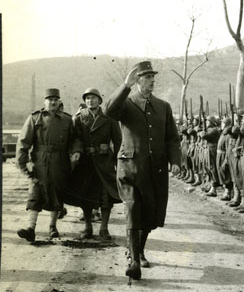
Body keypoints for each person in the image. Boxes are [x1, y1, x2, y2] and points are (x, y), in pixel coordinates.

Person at [104, 61, 181, 280]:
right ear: (138, 80)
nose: (152, 81)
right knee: (133, 208)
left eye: (153, 77)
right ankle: (134, 260)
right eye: (147, 77)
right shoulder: (126, 103)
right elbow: (108, 110)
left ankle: (138, 249)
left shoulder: (163, 106)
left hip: (154, 170)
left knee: (149, 211)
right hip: (129, 168)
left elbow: (172, 138)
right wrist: (124, 86)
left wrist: (175, 161)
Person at [16, 88, 82, 241]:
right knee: (35, 193)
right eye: (49, 99)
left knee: (57, 193)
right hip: (40, 161)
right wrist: (25, 163)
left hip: (60, 161)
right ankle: (30, 228)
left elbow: (75, 139)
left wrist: (76, 150)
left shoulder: (67, 120)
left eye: (55, 99)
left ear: (59, 101)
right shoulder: (35, 118)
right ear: (44, 101)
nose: (53, 102)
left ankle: (52, 226)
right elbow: (23, 142)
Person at [69, 87, 122, 240]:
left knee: (106, 196)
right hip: (86, 162)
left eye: (93, 98)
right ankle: (87, 227)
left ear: (100, 100)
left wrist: (119, 162)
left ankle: (104, 228)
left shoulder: (109, 117)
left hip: (104, 162)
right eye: (87, 98)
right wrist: (77, 150)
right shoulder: (79, 118)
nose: (90, 101)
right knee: (86, 196)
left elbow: (118, 141)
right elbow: (75, 138)